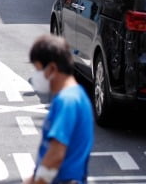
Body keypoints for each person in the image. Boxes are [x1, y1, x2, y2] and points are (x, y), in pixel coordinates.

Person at [24, 34, 94, 184]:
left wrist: (38, 181)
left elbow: (56, 153)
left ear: (52, 68)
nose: (36, 76)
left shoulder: (67, 101)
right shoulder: (75, 95)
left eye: (38, 70)